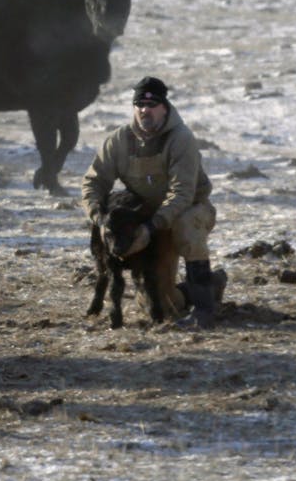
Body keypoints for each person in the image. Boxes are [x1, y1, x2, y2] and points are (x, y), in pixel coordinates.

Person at [82, 76, 219, 328]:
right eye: (139, 105)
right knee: (160, 305)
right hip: (145, 222)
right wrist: (100, 220)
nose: (145, 110)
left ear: (164, 108)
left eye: (153, 104)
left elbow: (182, 194)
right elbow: (93, 183)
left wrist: (150, 228)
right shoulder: (119, 140)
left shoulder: (181, 139)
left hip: (187, 212)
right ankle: (209, 285)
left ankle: (204, 308)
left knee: (186, 225)